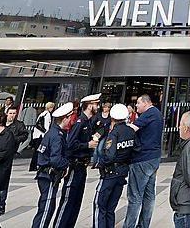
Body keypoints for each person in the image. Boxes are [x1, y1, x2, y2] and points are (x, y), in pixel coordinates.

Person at [53, 92, 101, 228]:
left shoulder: (88, 122)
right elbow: (70, 144)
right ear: (89, 105)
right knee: (68, 201)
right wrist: (88, 145)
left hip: (82, 166)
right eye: (96, 104)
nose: (98, 106)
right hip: (75, 165)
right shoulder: (80, 122)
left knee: (76, 202)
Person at [94, 104, 138, 228]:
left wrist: (99, 163)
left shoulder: (114, 133)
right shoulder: (130, 131)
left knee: (100, 206)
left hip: (110, 173)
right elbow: (136, 149)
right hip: (123, 172)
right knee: (111, 208)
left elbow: (110, 156)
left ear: (113, 118)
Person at [125, 93, 164, 228]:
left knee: (135, 196)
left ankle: (129, 225)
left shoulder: (148, 114)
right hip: (154, 158)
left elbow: (132, 129)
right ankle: (143, 225)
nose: (136, 106)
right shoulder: (157, 114)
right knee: (149, 195)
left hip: (142, 159)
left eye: (138, 103)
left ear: (146, 103)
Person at [31, 103, 73, 228]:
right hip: (49, 175)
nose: (70, 120)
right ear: (64, 118)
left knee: (47, 206)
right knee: (46, 208)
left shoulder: (52, 132)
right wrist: (67, 164)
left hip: (45, 174)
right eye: (69, 117)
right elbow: (55, 159)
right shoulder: (57, 136)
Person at [0, 106, 28, 215]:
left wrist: (15, 140)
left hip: (8, 155)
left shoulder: (19, 125)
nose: (12, 115)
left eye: (14, 113)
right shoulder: (0, 123)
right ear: (6, 113)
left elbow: (25, 135)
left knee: (3, 179)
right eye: (10, 113)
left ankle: (1, 203)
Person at [30, 102, 56, 171]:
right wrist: (47, 135)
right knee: (40, 150)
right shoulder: (47, 115)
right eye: (52, 107)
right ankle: (36, 165)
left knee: (36, 151)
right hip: (41, 135)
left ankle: (33, 165)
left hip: (37, 135)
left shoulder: (42, 114)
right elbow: (46, 126)